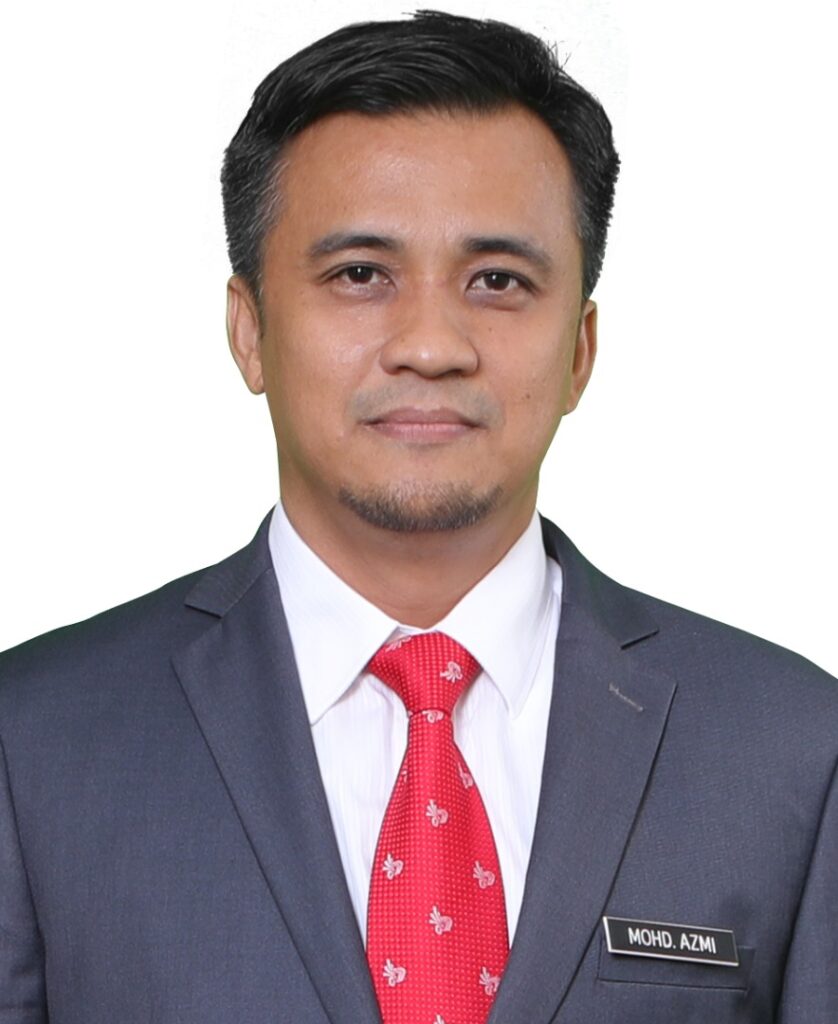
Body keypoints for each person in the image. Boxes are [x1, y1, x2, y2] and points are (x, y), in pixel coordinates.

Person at [0, 9, 835, 1023]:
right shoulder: (33, 742)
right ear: (250, 331)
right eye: (360, 275)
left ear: (580, 348)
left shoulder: (790, 748)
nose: (432, 345)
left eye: (498, 281)